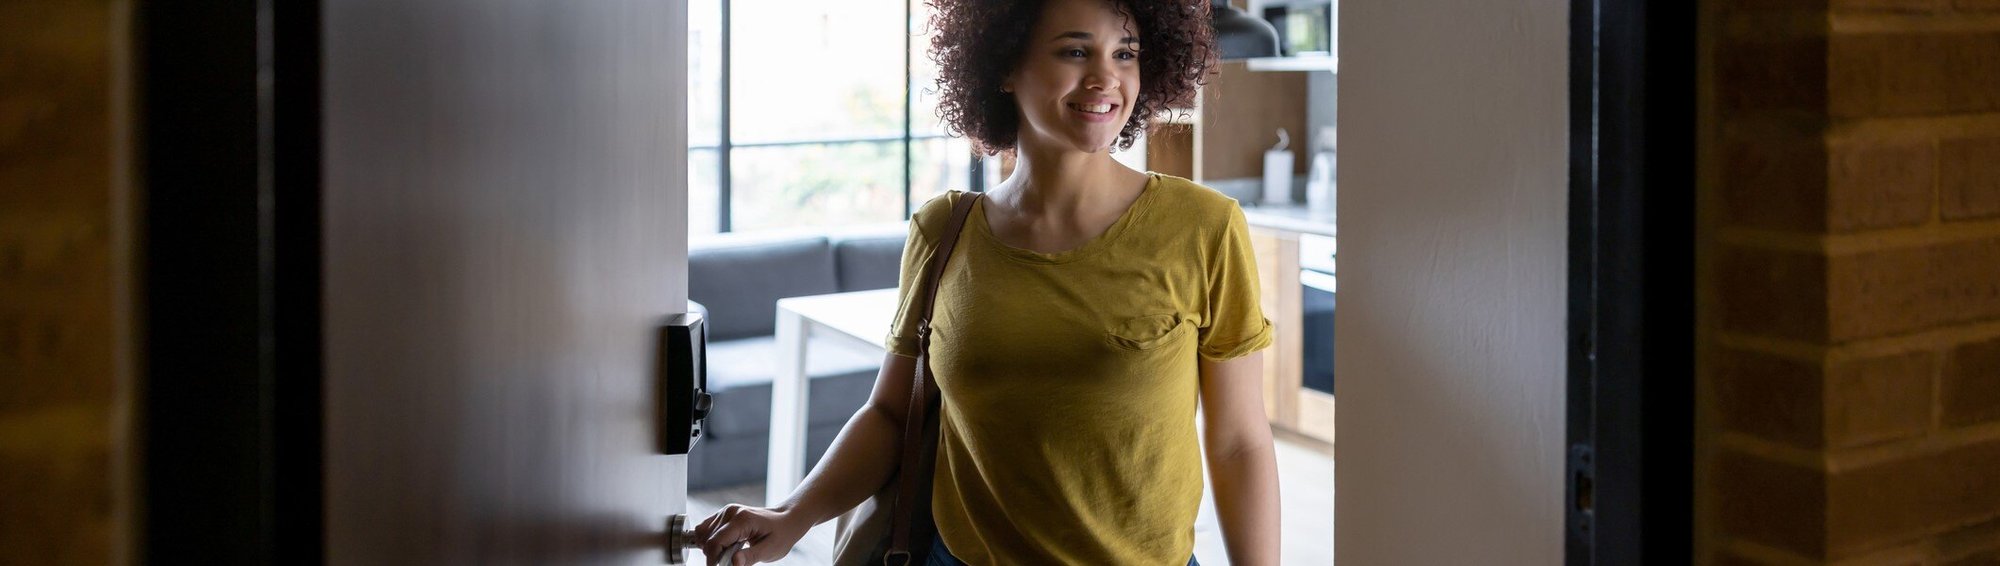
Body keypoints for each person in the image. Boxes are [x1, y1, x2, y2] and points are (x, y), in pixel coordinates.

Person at [693, 0, 1280, 563]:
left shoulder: (1204, 227)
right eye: (1075, 52)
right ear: (1003, 65)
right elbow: (892, 415)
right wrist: (793, 514)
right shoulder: (945, 229)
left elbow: (1237, 442)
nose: (1107, 78)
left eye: (1125, 53)